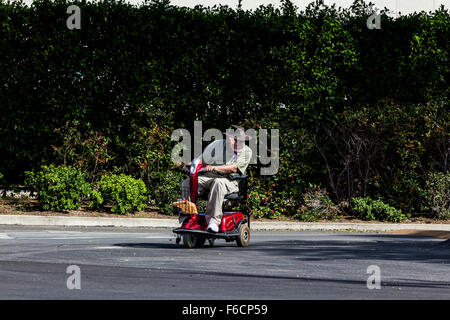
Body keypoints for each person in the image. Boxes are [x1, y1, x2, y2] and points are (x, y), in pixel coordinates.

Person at [179, 125, 252, 232]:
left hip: (230, 181)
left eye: (241, 141)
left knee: (218, 183)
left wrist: (214, 168)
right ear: (229, 138)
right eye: (236, 140)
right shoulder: (216, 145)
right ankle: (187, 217)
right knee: (187, 183)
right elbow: (201, 160)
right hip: (208, 178)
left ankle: (213, 221)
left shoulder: (246, 151)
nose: (239, 144)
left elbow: (234, 168)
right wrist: (190, 165)